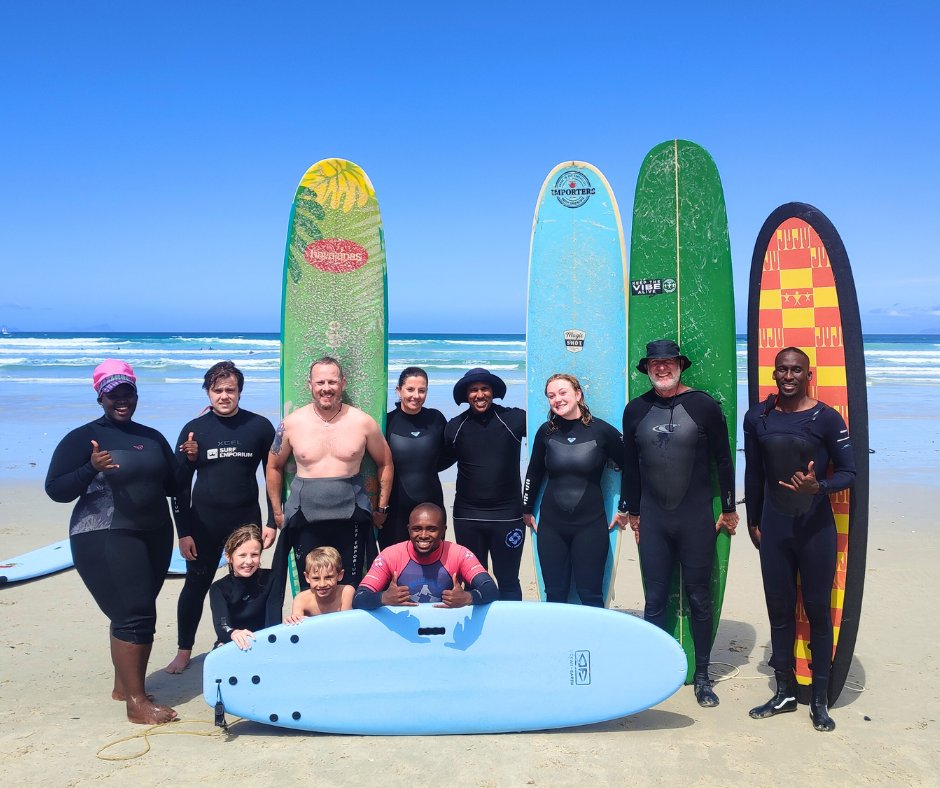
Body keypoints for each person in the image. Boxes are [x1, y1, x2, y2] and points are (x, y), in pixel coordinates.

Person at [44, 360, 180, 724]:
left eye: (127, 392)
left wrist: (188, 461)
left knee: (134, 610)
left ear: (136, 394)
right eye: (112, 394)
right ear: (100, 397)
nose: (121, 400)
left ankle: (125, 685)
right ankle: (136, 703)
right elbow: (56, 490)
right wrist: (90, 468)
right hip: (104, 533)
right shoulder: (81, 437)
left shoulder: (151, 436)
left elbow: (173, 487)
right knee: (136, 614)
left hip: (154, 533)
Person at [743, 346, 856, 733]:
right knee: (779, 611)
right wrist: (752, 519)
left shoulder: (827, 418)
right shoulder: (757, 416)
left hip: (814, 530)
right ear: (774, 374)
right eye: (782, 370)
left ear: (809, 375)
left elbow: (850, 472)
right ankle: (785, 691)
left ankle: (820, 699)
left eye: (796, 370)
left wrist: (818, 486)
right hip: (774, 528)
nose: (788, 376)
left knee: (817, 611)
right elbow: (754, 473)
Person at [621, 340, 738, 708]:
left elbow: (723, 460)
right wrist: (632, 511)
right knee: (654, 599)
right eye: (655, 363)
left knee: (699, 597)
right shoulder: (635, 409)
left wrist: (731, 507)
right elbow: (630, 466)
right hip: (654, 520)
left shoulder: (703, 405)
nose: (661, 368)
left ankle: (702, 675)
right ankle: (655, 670)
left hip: (695, 519)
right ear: (647, 368)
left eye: (668, 362)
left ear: (680, 366)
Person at [165, 361, 276, 674]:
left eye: (231, 390)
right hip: (204, 523)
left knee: (249, 582)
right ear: (208, 392)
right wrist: (183, 532)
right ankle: (184, 650)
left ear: (240, 391)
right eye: (218, 390)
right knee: (196, 585)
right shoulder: (194, 430)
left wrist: (271, 521)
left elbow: (272, 476)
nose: (224, 396)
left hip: (245, 521)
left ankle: (246, 639)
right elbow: (177, 486)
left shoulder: (258, 426)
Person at [264, 357, 393, 621]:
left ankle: (348, 639)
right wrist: (277, 511)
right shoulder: (291, 424)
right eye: (320, 382)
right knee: (313, 585)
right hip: (305, 516)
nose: (326, 387)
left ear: (342, 384)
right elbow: (273, 466)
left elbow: (385, 463)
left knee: (351, 586)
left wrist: (381, 507)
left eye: (332, 381)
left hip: (352, 514)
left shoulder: (362, 422)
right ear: (310, 384)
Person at [522, 373, 624, 607]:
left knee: (590, 595)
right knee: (555, 595)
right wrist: (526, 508)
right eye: (551, 396)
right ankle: (558, 643)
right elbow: (534, 473)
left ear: (578, 394)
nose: (557, 399)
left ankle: (594, 644)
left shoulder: (602, 432)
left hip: (590, 526)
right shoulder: (545, 432)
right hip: (552, 528)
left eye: (562, 392)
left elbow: (631, 467)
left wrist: (626, 507)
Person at [443, 368, 527, 601]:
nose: (480, 395)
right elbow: (438, 460)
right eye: (473, 390)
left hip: (508, 516)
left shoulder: (515, 419)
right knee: (474, 581)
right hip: (468, 517)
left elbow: (548, 436)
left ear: (493, 392)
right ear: (466, 395)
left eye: (484, 389)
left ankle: (509, 631)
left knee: (508, 579)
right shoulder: (455, 427)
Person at [353, 503, 498, 609]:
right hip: (404, 630)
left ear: (443, 530)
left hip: (445, 629)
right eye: (417, 529)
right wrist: (383, 598)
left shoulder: (459, 554)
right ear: (409, 530)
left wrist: (468, 597)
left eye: (432, 529)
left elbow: (490, 589)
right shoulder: (390, 555)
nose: (423, 535)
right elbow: (360, 598)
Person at [382, 367, 453, 550]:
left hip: (432, 504)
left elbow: (451, 453)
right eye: (410, 389)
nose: (416, 395)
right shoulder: (387, 422)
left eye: (422, 390)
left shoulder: (436, 419)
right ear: (399, 390)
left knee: (433, 561)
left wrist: (428, 467)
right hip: (395, 509)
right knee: (395, 564)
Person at [209, 524, 272, 650]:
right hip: (235, 640)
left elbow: (273, 620)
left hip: (266, 640)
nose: (248, 561)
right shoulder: (219, 588)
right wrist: (233, 633)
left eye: (254, 555)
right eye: (242, 555)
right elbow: (222, 625)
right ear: (229, 557)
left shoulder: (271, 578)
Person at [284, 546, 355, 622]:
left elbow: (346, 623)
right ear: (307, 577)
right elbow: (298, 628)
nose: (322, 584)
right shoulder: (301, 599)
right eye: (316, 578)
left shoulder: (346, 592)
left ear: (340, 575)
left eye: (328, 577)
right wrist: (292, 621)